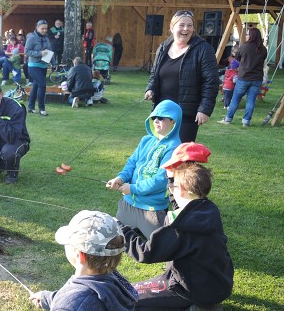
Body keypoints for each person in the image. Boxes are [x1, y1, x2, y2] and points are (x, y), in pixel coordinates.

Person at [118, 144, 234, 310]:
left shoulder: (182, 227)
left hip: (189, 290)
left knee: (125, 299)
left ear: (181, 189)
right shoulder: (207, 208)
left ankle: (194, 307)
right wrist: (174, 178)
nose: (169, 187)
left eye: (171, 185)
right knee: (128, 292)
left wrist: (119, 228)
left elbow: (145, 253)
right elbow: (179, 204)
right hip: (213, 283)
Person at [29, 210, 138, 310]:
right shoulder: (112, 282)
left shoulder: (71, 306)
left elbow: (73, 302)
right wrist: (46, 298)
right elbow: (74, 298)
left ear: (80, 255)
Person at [106, 99, 182, 238]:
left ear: (173, 121)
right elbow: (132, 162)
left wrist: (132, 188)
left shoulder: (174, 147)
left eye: (161, 118)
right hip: (128, 204)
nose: (156, 121)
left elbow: (161, 180)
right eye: (154, 117)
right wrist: (121, 177)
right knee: (114, 238)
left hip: (152, 209)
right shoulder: (146, 140)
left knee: (163, 246)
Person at [144, 10, 219, 143]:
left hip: (186, 114)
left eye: (190, 25)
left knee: (180, 155)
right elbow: (154, 75)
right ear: (172, 28)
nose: (186, 29)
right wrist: (150, 89)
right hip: (162, 112)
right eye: (182, 25)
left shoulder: (203, 49)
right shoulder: (163, 47)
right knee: (159, 150)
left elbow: (211, 81)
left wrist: (204, 109)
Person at [218, 27, 267, 127]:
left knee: (235, 98)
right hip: (257, 79)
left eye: (247, 34)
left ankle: (228, 119)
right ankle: (246, 121)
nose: (246, 36)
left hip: (244, 77)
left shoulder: (244, 47)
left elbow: (237, 59)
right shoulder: (263, 49)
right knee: (251, 100)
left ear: (251, 36)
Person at [25, 19, 52, 116]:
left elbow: (50, 50)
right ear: (37, 27)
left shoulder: (46, 38)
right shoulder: (31, 38)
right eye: (42, 28)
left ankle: (31, 107)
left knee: (36, 86)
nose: (44, 30)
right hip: (33, 65)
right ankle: (42, 108)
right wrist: (40, 53)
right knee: (42, 85)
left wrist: (53, 62)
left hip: (43, 65)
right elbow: (27, 51)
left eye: (46, 28)